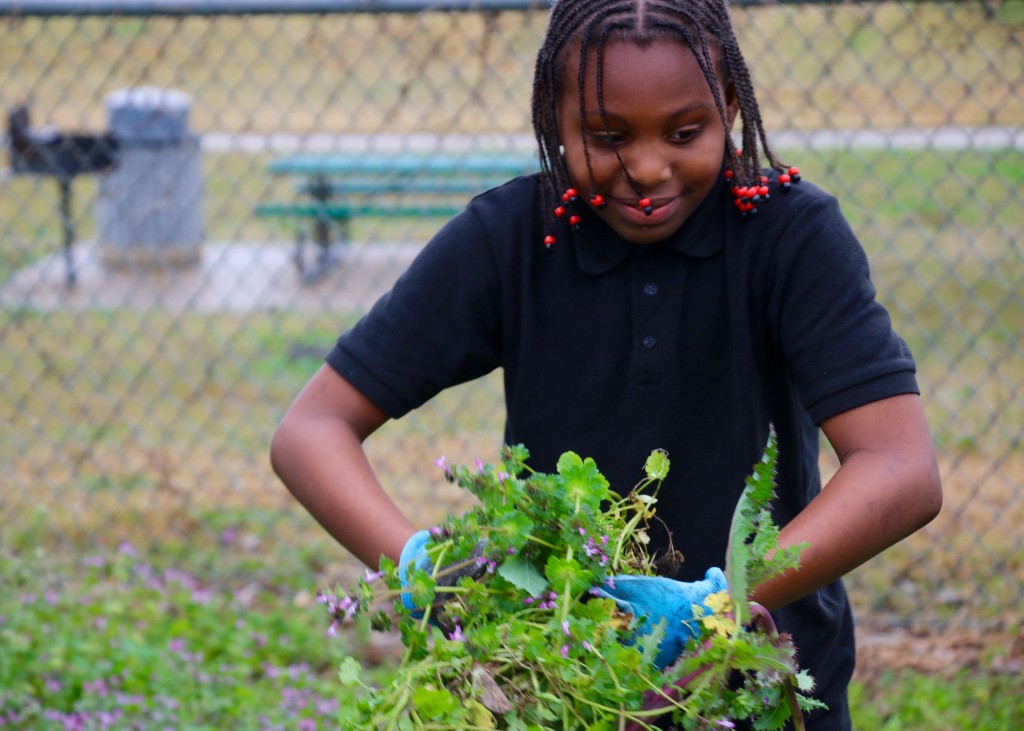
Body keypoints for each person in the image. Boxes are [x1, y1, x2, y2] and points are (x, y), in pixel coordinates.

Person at [270, 1, 942, 728]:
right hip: (561, 687)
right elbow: (312, 430)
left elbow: (901, 468)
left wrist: (727, 599)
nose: (647, 168)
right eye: (605, 136)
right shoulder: (513, 240)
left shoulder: (789, 235)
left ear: (733, 106)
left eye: (686, 133)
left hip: (761, 681)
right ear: (552, 122)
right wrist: (424, 575)